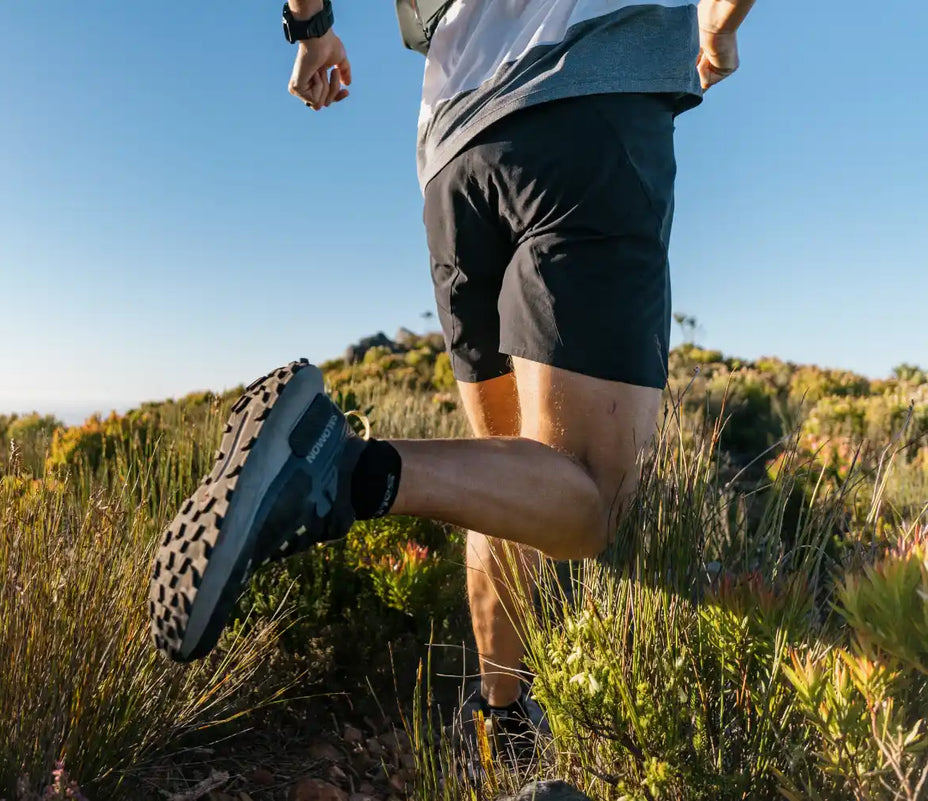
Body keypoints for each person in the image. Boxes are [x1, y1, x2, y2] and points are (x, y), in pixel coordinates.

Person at [151, 0, 756, 755]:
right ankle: (339, 469)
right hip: (585, 96)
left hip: (453, 153)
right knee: (592, 498)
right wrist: (717, 28)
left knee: (502, 470)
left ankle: (503, 718)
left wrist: (310, 32)